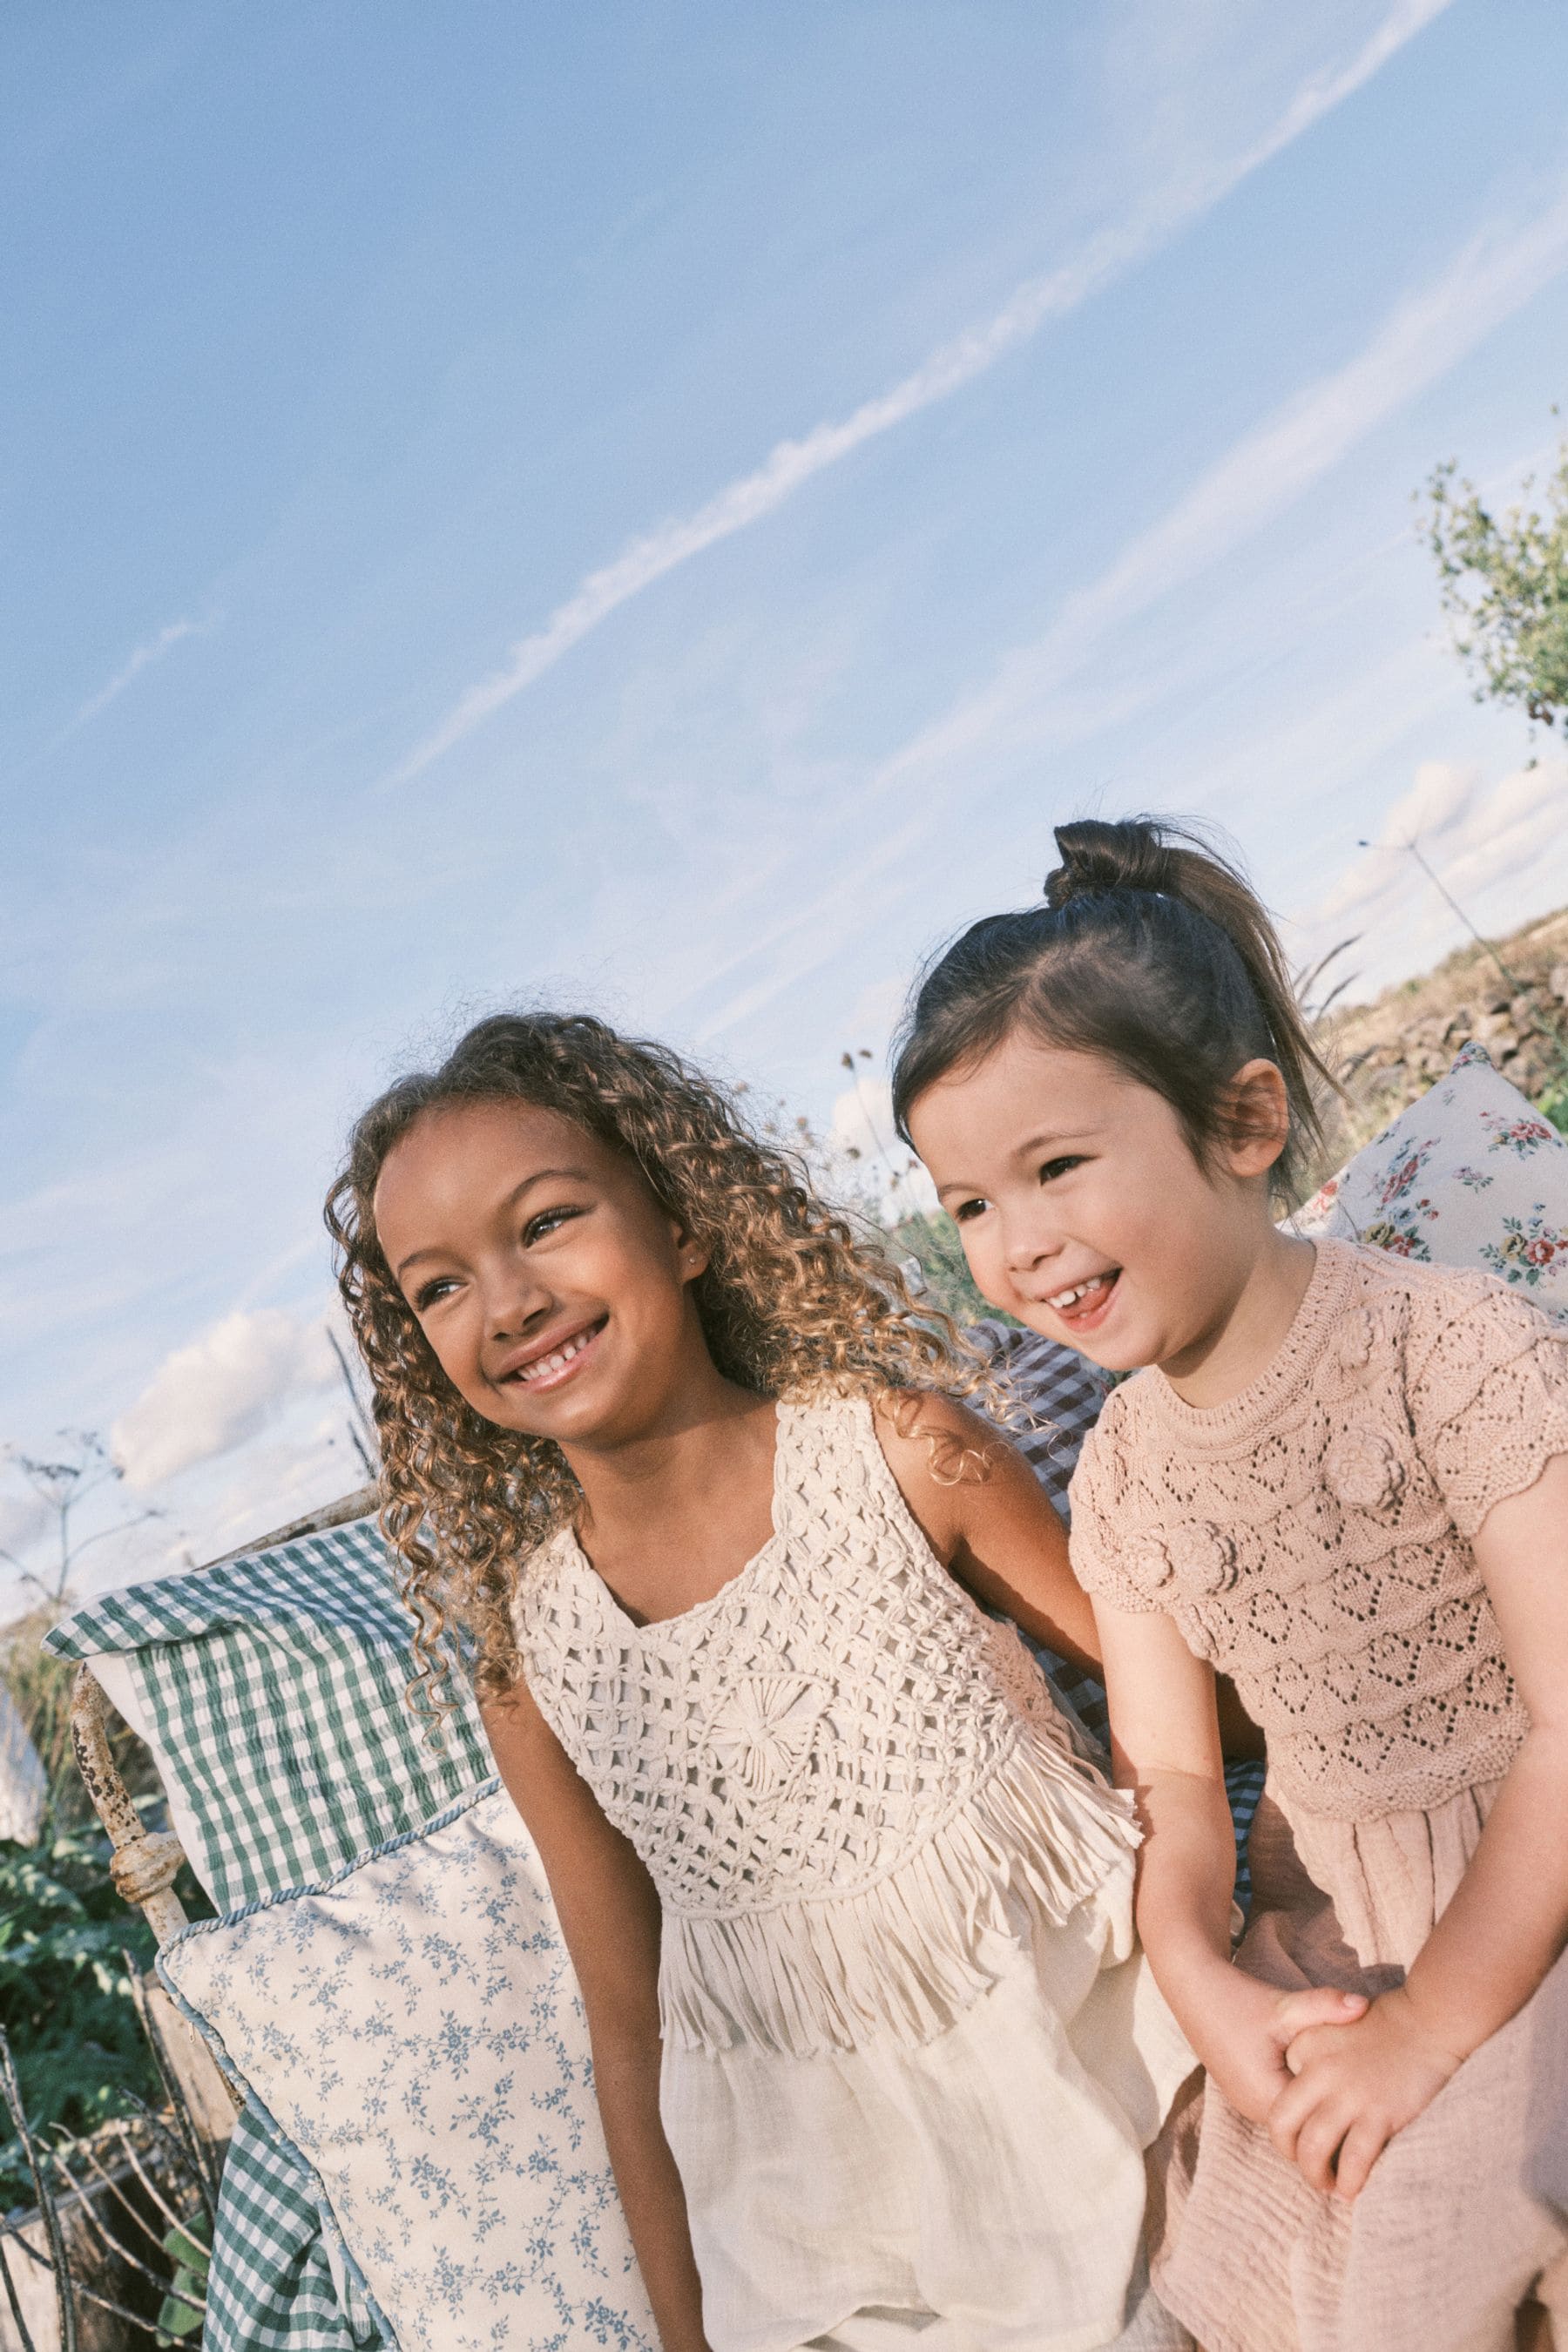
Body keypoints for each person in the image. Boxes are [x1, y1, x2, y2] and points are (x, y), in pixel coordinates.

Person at [325, 1010, 1200, 2352]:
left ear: (681, 1222)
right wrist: (688, 2338)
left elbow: (1177, 1722)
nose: (506, 1303)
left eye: (546, 1223)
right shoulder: (533, 1664)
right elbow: (628, 2029)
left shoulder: (903, 1456)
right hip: (824, 2253)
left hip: (1125, 2111)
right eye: (437, 1286)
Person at [893, 813, 1568, 2352]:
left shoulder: (1449, 1352)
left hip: (1535, 1888)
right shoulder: (1124, 1472)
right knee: (1244, 2269)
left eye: (1058, 1166)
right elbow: (1181, 1790)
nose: (1022, 1245)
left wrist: (1430, 2031)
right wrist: (1205, 1975)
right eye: (974, 1207)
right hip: (1335, 1925)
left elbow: (1567, 1728)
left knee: (1435, 2240)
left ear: (1245, 1121)